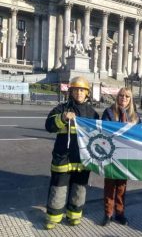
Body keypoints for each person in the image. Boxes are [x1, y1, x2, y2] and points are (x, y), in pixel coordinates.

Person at [44, 76, 99, 230]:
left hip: (82, 159)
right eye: (76, 90)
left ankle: (74, 216)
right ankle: (53, 218)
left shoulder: (93, 114)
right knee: (58, 189)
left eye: (82, 90)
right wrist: (62, 118)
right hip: (63, 157)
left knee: (79, 189)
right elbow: (49, 126)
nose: (79, 93)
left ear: (87, 93)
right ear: (71, 92)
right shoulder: (61, 109)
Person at [101, 87, 140, 226]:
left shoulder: (135, 116)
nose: (124, 98)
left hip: (126, 155)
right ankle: (108, 214)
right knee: (110, 186)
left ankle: (120, 213)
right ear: (117, 97)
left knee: (122, 186)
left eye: (127, 96)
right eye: (121, 95)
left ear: (131, 99)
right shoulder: (109, 112)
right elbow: (103, 131)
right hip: (111, 154)